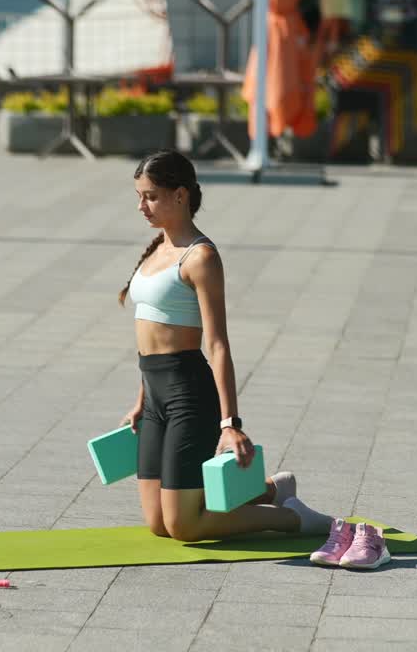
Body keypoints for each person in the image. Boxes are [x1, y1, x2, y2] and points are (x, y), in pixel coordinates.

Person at [117, 150, 335, 542]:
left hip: (188, 395)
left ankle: (291, 519)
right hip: (154, 395)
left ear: (180, 195)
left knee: (184, 526)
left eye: (150, 196)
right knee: (157, 523)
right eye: (139, 195)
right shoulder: (156, 249)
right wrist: (140, 399)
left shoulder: (200, 257)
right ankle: (271, 489)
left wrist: (230, 423)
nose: (141, 206)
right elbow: (151, 335)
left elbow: (217, 345)